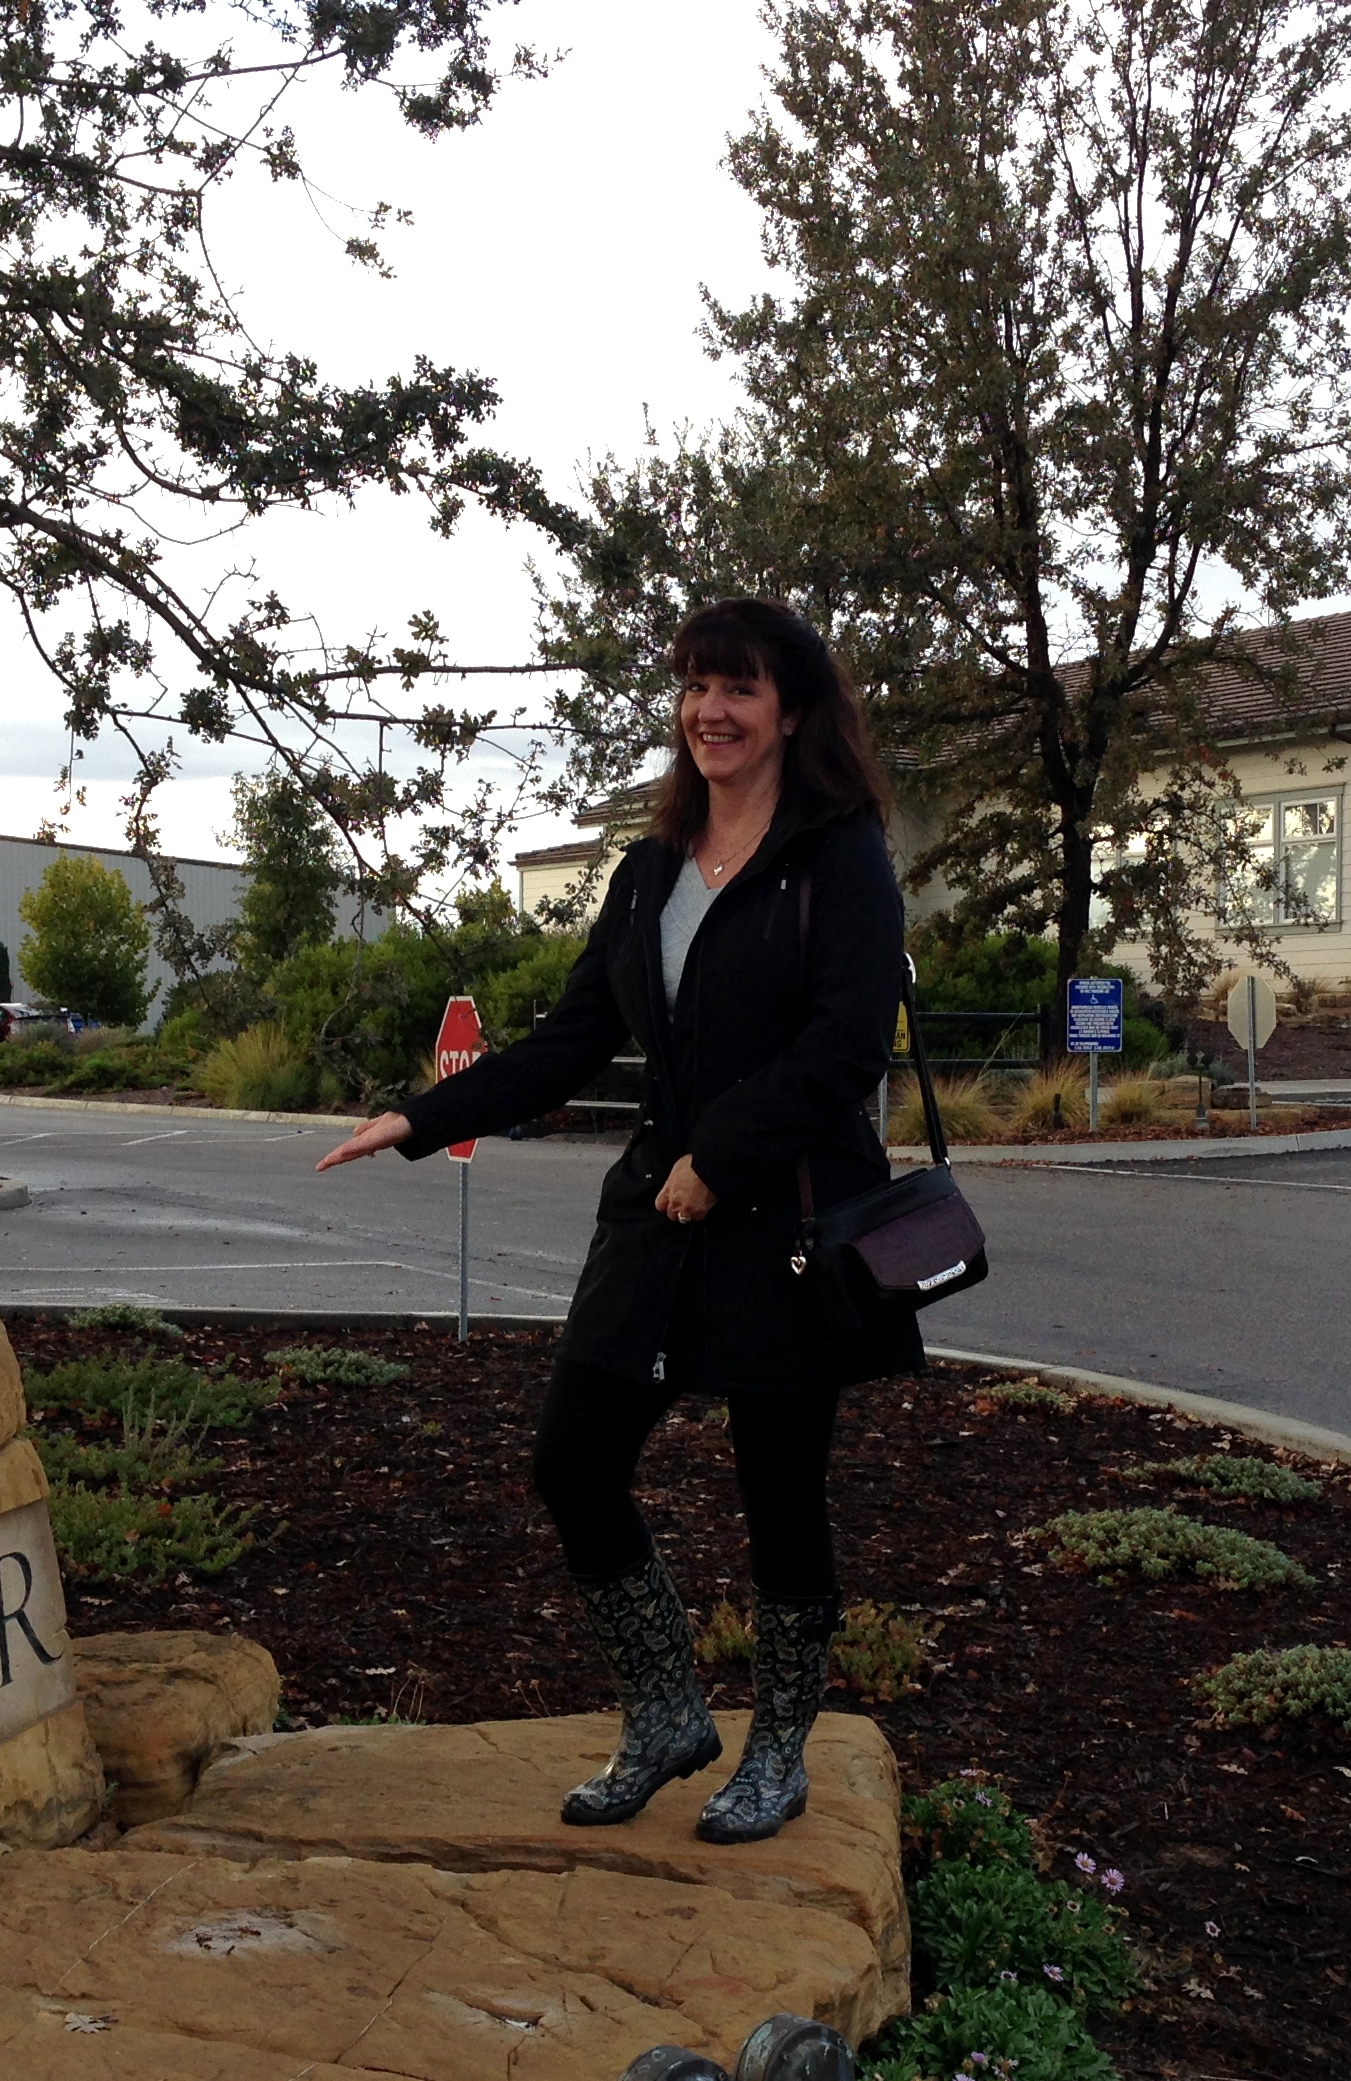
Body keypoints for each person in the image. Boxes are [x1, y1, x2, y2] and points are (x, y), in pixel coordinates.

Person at [316, 597, 918, 1845]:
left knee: (779, 1490)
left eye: (739, 687)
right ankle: (663, 1714)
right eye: (697, 684)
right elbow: (576, 1036)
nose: (711, 709)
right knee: (572, 1460)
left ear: (789, 709)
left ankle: (782, 1750)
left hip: (788, 1212)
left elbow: (844, 1045)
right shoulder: (650, 866)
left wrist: (721, 1153)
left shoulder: (837, 852)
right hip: (659, 1208)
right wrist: (421, 1117)